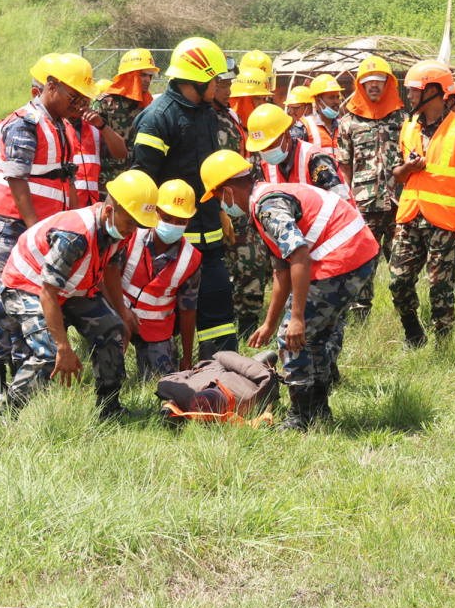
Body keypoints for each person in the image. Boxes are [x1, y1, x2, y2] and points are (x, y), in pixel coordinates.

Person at [201, 150, 380, 430]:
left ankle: (300, 418)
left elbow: (298, 255)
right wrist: (270, 323)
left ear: (225, 191)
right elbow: (282, 271)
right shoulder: (265, 200)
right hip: (356, 254)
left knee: (293, 336)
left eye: (216, 198)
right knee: (314, 338)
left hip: (342, 258)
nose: (220, 206)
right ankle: (318, 412)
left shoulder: (267, 207)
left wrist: (294, 319)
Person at [0, 53, 91, 403]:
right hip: (10, 227)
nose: (80, 104)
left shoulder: (62, 125)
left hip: (43, 230)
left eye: (84, 99)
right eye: (75, 97)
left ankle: (22, 376)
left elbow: (65, 178)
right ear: (51, 87)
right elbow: (16, 179)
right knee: (0, 301)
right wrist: (31, 232)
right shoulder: (24, 123)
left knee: (31, 301)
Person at [1, 170, 157, 418]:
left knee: (112, 329)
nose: (134, 230)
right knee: (49, 354)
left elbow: (111, 269)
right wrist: (63, 346)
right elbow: (48, 292)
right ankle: (8, 415)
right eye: (131, 222)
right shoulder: (74, 236)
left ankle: (110, 411)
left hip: (71, 287)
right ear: (109, 212)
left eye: (138, 224)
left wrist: (121, 311)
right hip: (27, 286)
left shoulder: (119, 230)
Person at [132, 37, 237, 358]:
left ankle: (221, 379)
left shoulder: (206, 113)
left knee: (219, 320)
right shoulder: (157, 118)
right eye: (216, 80)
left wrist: (219, 207)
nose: (219, 86)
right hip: (174, 243)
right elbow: (142, 183)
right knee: (167, 322)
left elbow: (206, 169)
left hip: (210, 240)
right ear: (200, 78)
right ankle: (170, 380)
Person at [390, 61, 455, 345]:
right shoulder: (408, 127)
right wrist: (409, 169)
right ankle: (413, 332)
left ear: (433, 90)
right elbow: (396, 175)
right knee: (398, 282)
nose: (410, 97)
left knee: (440, 287)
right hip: (410, 216)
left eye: (415, 91)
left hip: (445, 221)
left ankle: (444, 345)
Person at [336, 56, 405, 320]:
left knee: (403, 266)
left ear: (389, 83)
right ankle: (360, 317)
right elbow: (345, 166)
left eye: (378, 80)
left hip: (399, 204)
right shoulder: (348, 123)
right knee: (363, 264)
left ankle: (406, 315)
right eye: (367, 81)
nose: (373, 85)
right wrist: (348, 202)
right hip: (364, 206)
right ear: (359, 85)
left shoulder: (404, 119)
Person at [121, 179, 202, 380]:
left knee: (160, 381)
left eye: (181, 221)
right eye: (167, 218)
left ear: (189, 221)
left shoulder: (192, 259)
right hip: (117, 315)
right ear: (155, 212)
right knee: (110, 371)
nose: (173, 225)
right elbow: (105, 277)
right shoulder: (130, 236)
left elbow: (188, 309)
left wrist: (187, 356)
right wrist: (120, 313)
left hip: (155, 329)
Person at [217, 64, 273, 339]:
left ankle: (249, 328)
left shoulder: (243, 124)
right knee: (231, 272)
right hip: (226, 210)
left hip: (250, 212)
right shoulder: (219, 121)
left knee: (253, 265)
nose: (264, 104)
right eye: (259, 99)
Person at [91, 48, 158, 191]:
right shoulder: (105, 104)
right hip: (106, 183)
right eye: (143, 75)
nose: (148, 80)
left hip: (136, 184)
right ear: (129, 75)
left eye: (151, 76)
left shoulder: (149, 106)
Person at [246, 103, 347, 195]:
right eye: (261, 148)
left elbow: (341, 205)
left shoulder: (316, 160)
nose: (266, 152)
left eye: (270, 146)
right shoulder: (263, 166)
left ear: (286, 136)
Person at [70, 76, 128, 208]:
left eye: (87, 96)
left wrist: (102, 126)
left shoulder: (94, 127)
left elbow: (121, 153)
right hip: (63, 204)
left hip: (90, 205)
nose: (83, 101)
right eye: (79, 96)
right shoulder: (55, 125)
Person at [292, 73, 342, 156]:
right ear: (318, 101)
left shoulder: (344, 125)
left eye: (337, 97)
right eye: (331, 97)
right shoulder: (304, 127)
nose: (336, 101)